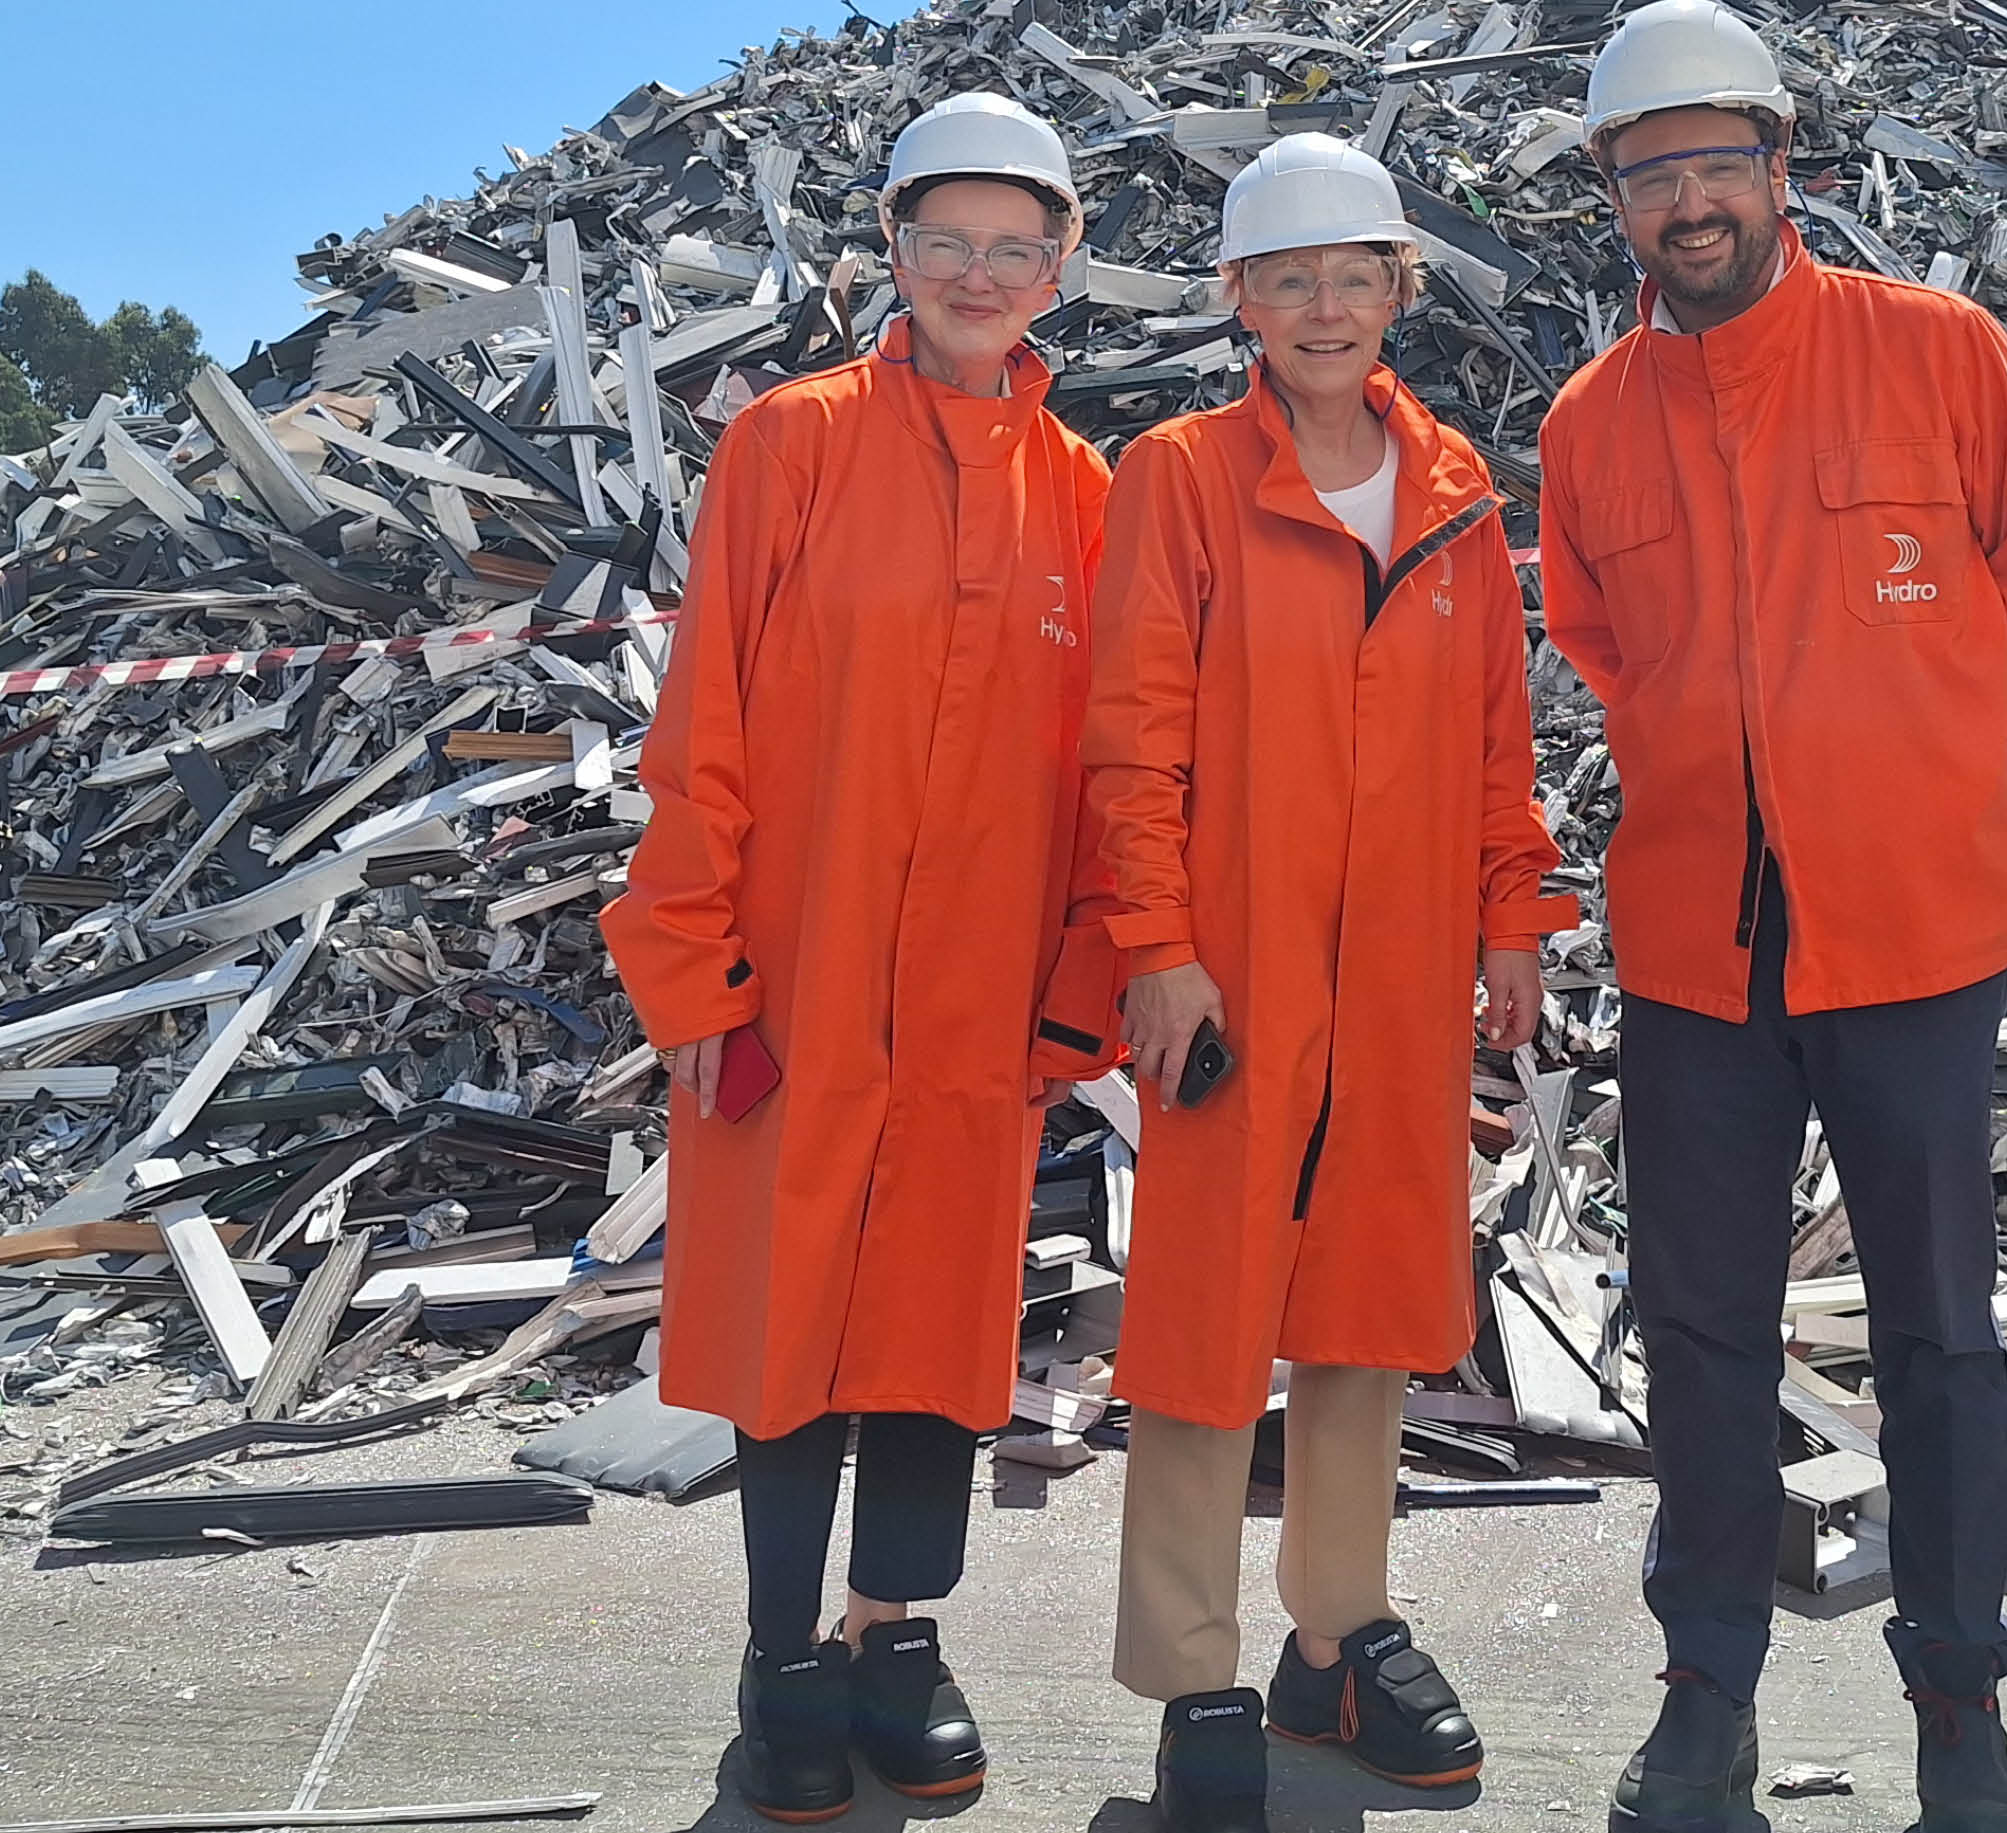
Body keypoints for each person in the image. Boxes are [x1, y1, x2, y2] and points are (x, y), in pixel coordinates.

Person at [1533, 6, 2007, 1830]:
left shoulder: (1930, 351)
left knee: (1940, 1327)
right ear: (1612, 201)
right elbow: (1600, 642)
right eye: (1649, 174)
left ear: (1782, 171)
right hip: (1696, 944)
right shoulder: (1589, 420)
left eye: (1715, 163)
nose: (1685, 201)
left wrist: (1917, 751)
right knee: (1700, 1324)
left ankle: (1958, 1701)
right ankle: (1704, 1690)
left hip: (1910, 934)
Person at [600, 91, 1120, 1827]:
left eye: (1014, 246)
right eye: (945, 240)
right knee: (786, 1337)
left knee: (932, 1337)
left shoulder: (1085, 492)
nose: (979, 273)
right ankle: (781, 1670)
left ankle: (893, 1638)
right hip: (792, 991)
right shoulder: (793, 442)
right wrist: (693, 976)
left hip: (980, 1008)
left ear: (1060, 267)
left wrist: (1079, 980)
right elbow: (707, 724)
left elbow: (1114, 766)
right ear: (890, 251)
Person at [1081, 132, 1574, 1833]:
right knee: (1209, 1324)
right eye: (1284, 278)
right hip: (1235, 975)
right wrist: (1156, 946)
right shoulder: (1180, 473)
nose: (1320, 306)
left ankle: (1337, 1634)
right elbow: (1131, 738)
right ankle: (1191, 1671)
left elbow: (1499, 734)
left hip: (1404, 972)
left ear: (1397, 293)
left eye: (1350, 275)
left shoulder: (1450, 486)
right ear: (1235, 300)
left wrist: (1514, 915)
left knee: (1370, 1313)